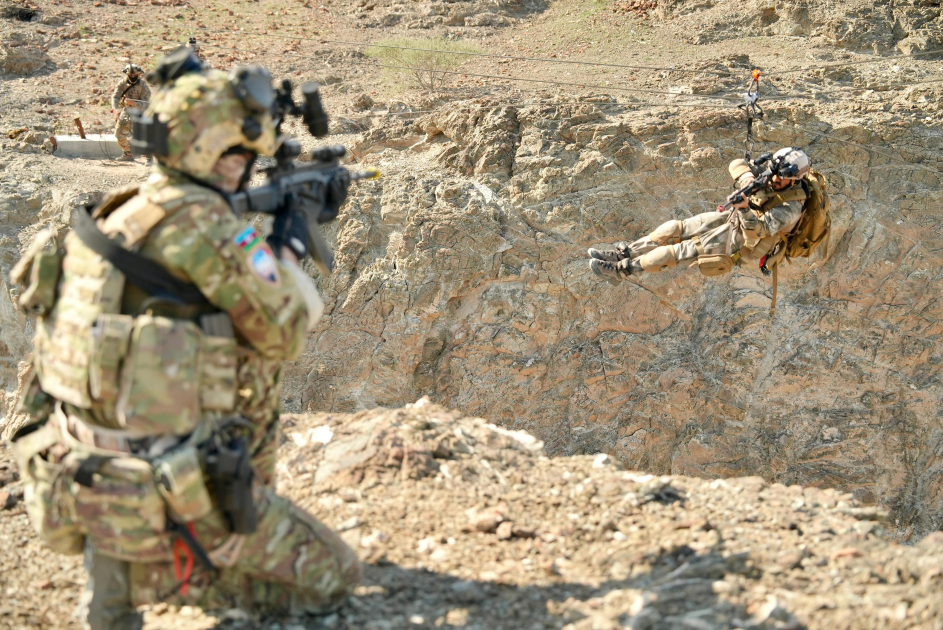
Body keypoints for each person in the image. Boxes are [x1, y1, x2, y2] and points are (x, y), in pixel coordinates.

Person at [12, 49, 360, 629]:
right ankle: (200, 563)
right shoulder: (213, 231)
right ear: (218, 151)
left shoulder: (110, 212)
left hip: (74, 462)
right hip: (180, 480)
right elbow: (286, 332)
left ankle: (123, 578)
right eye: (240, 153)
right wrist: (288, 247)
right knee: (335, 578)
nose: (245, 166)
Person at [589, 147, 813, 283]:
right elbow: (737, 164)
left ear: (793, 180)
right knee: (673, 230)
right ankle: (622, 254)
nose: (774, 180)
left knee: (673, 252)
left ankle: (621, 271)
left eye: (781, 178)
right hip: (736, 218)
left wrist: (744, 208)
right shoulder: (772, 175)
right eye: (774, 174)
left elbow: (757, 232)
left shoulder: (790, 208)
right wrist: (746, 178)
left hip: (748, 242)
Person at [111, 63, 151, 161]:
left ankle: (148, 157)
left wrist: (134, 103)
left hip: (140, 113)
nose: (132, 77)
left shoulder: (143, 86)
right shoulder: (122, 83)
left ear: (138, 75)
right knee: (119, 134)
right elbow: (115, 97)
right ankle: (128, 153)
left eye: (134, 75)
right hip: (127, 112)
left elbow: (147, 103)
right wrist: (116, 109)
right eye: (130, 75)